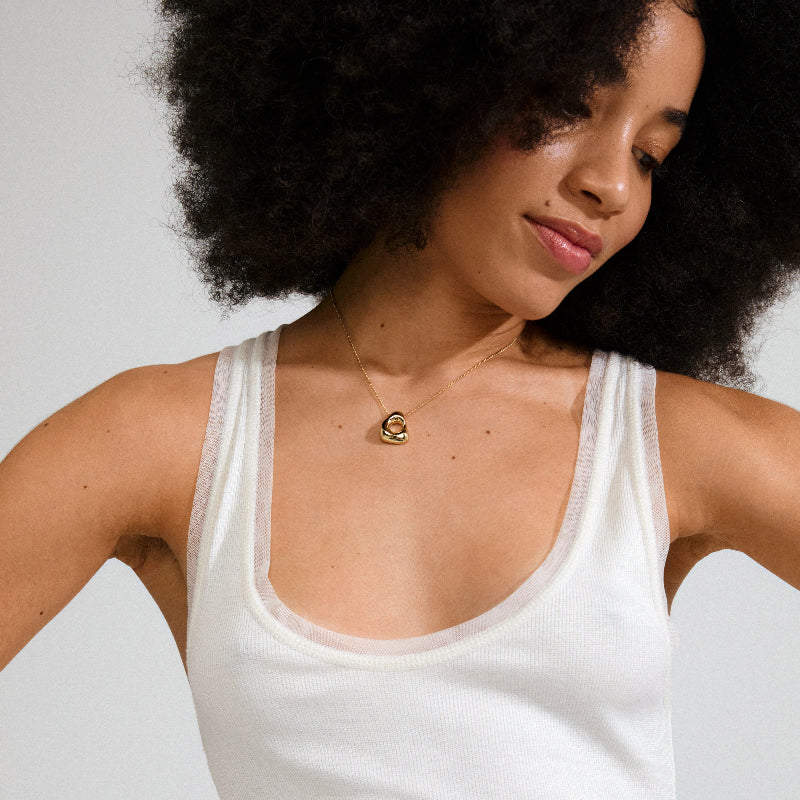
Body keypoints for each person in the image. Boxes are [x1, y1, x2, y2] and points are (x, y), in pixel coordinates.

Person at [1, 0, 798, 797]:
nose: (612, 184)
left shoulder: (665, 440)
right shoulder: (164, 438)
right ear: (436, 79)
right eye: (565, 105)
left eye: (652, 154)